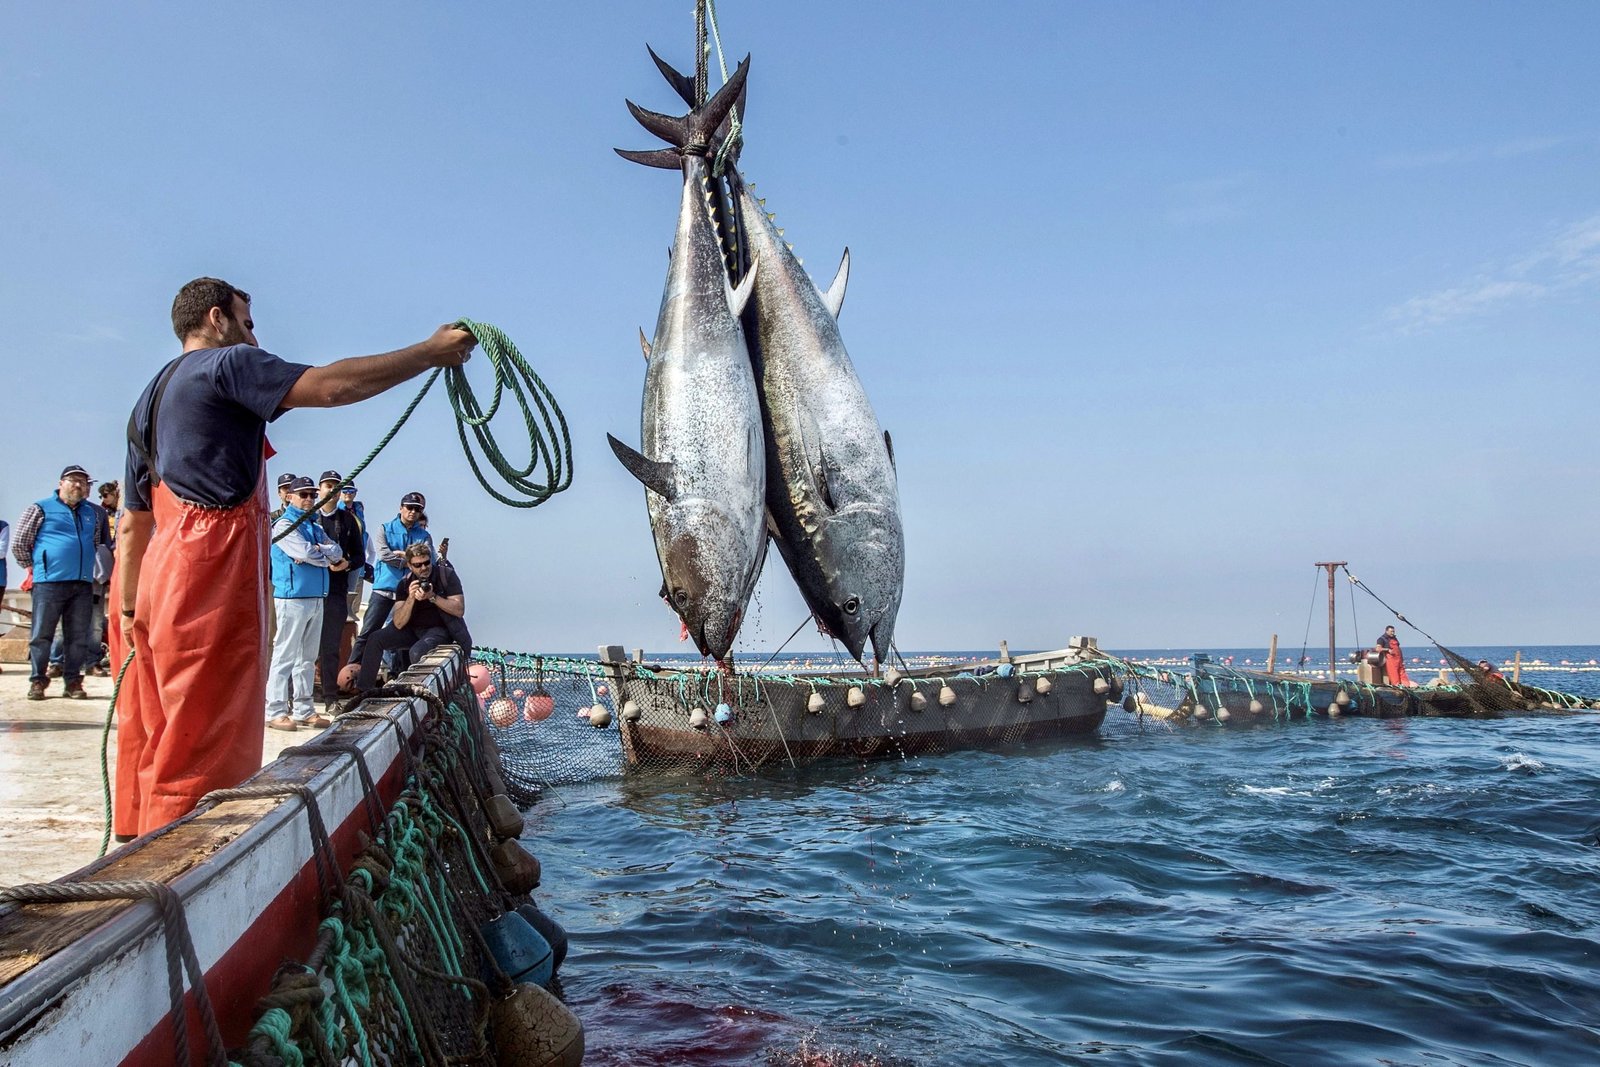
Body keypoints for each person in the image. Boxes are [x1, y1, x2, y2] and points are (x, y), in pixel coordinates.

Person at [115, 276, 475, 836]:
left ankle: (136, 842)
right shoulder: (227, 363)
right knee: (204, 736)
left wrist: (129, 609)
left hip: (158, 572)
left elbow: (133, 521)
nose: (255, 338)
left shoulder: (150, 396)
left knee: (159, 725)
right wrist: (429, 353)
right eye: (248, 322)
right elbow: (331, 387)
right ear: (216, 319)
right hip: (207, 572)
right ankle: (186, 860)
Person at [14, 465, 106, 700]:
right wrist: (38, 566)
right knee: (42, 634)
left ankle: (73, 682)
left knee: (78, 636)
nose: (78, 485)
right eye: (73, 480)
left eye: (83, 482)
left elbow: (94, 542)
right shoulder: (40, 508)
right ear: (60, 483)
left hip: (82, 583)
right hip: (49, 583)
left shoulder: (92, 514)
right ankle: (38, 681)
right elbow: (19, 543)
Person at [266, 476, 345, 729]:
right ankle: (275, 710)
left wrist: (317, 552)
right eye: (304, 494)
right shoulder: (284, 525)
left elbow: (337, 552)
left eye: (312, 494)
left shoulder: (314, 526)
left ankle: (304, 709)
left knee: (307, 658)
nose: (309, 499)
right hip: (292, 598)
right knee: (285, 655)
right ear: (290, 497)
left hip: (316, 596)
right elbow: (304, 552)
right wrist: (322, 554)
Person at [350, 541, 470, 693]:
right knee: (375, 639)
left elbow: (459, 609)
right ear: (410, 566)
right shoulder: (405, 583)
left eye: (426, 563)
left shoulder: (446, 575)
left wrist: (433, 597)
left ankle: (420, 693)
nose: (423, 568)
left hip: (440, 629)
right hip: (412, 629)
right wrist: (411, 598)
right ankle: (365, 691)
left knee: (416, 652)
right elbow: (398, 623)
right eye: (418, 565)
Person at [346, 491, 433, 673]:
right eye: (409, 507)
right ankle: (352, 670)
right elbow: (384, 555)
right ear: (401, 508)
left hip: (408, 593)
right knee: (369, 631)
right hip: (384, 590)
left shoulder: (424, 535)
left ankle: (398, 674)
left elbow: (427, 561)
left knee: (403, 635)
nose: (413, 512)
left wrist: (402, 556)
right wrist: (410, 561)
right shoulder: (385, 529)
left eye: (417, 509)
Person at [314, 470, 365, 706]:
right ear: (320, 489)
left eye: (337, 487)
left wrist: (347, 564)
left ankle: (330, 696)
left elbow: (359, 556)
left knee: (331, 645)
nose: (332, 491)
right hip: (309, 590)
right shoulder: (308, 518)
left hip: (335, 590)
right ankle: (294, 695)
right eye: (328, 486)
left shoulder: (348, 520)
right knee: (303, 646)